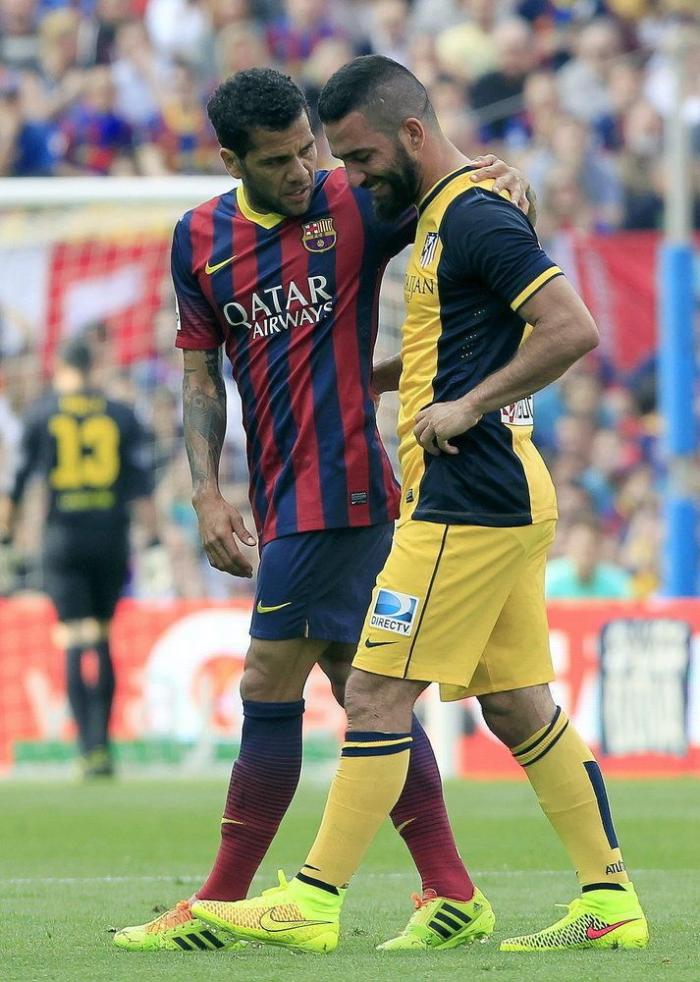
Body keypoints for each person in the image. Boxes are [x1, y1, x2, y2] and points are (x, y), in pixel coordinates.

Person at [190, 56, 649, 954]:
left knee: (374, 690)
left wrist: (468, 407)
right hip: (507, 488)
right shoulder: (442, 214)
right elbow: (458, 349)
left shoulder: (472, 213)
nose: (347, 179)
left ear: (408, 133)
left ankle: (315, 898)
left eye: (357, 158)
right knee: (517, 706)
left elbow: (573, 328)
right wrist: (377, 381)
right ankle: (612, 899)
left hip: (465, 498)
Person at [114, 67, 533, 953]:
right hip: (277, 488)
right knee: (358, 687)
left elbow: (453, 193)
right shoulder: (198, 239)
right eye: (281, 160)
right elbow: (199, 374)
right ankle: (450, 889)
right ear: (234, 160)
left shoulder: (355, 201)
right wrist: (204, 488)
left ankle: (219, 901)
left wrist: (501, 179)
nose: (306, 168)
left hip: (340, 487)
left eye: (310, 146)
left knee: (268, 682)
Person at [0, 338, 160, 777]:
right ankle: (103, 747)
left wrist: (7, 529)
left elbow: (16, 481)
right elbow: (142, 488)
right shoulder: (122, 415)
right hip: (110, 538)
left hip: (63, 538)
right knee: (104, 638)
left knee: (72, 637)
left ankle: (84, 749)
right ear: (94, 368)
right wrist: (162, 535)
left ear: (58, 367)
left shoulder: (42, 413)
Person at [546, 518, 633, 599]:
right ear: (567, 544)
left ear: (600, 546)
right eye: (579, 542)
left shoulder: (618, 582)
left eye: (591, 543)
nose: (585, 549)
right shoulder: (548, 579)